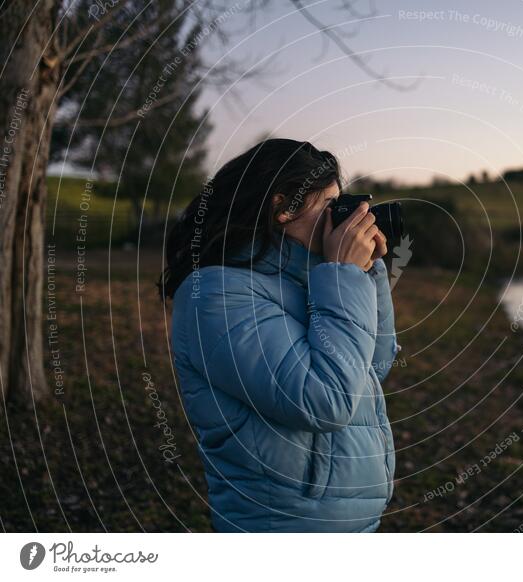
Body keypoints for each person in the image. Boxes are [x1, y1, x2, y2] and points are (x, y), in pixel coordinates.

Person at [157, 138, 398, 532]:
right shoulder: (215, 295)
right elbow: (326, 400)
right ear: (282, 208)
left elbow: (374, 366)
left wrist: (366, 271)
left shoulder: (309, 279)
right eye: (329, 207)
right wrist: (343, 276)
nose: (341, 221)